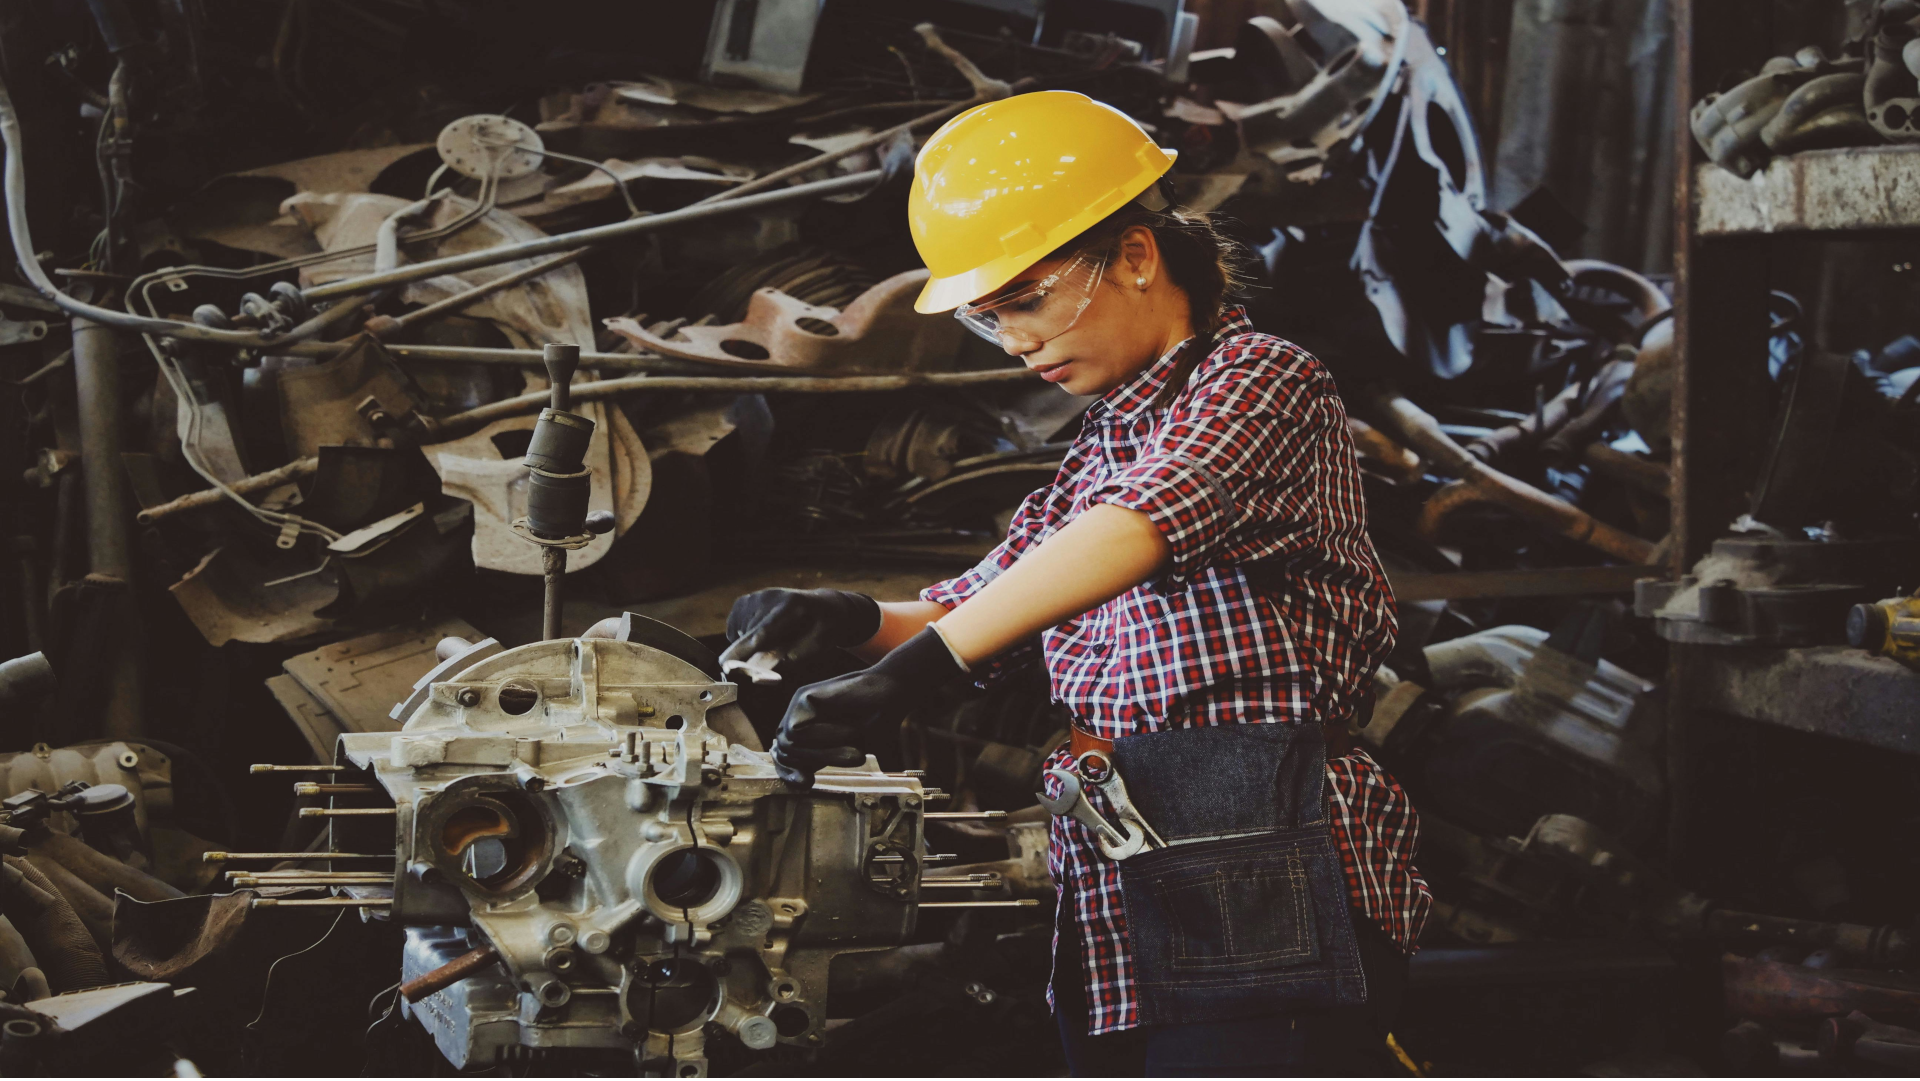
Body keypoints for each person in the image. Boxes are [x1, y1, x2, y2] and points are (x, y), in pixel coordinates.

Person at [721, 90, 1430, 1078]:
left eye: (1026, 299)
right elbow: (984, 608)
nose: (1014, 340)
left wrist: (913, 671)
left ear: (1135, 255)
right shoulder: (1101, 449)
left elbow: (1142, 525)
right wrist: (844, 619)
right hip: (1116, 861)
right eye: (987, 319)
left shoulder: (1264, 379)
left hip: (1264, 847)